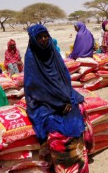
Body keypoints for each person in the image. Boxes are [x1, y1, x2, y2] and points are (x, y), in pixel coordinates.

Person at [24, 24, 88, 172]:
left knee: (76, 115)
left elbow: (65, 78)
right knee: (53, 126)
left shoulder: (53, 51)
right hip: (44, 102)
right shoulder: (31, 57)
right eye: (40, 37)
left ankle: (78, 163)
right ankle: (64, 166)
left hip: (63, 97)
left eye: (46, 36)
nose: (44, 39)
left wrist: (67, 97)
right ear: (34, 40)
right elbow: (35, 89)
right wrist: (58, 103)